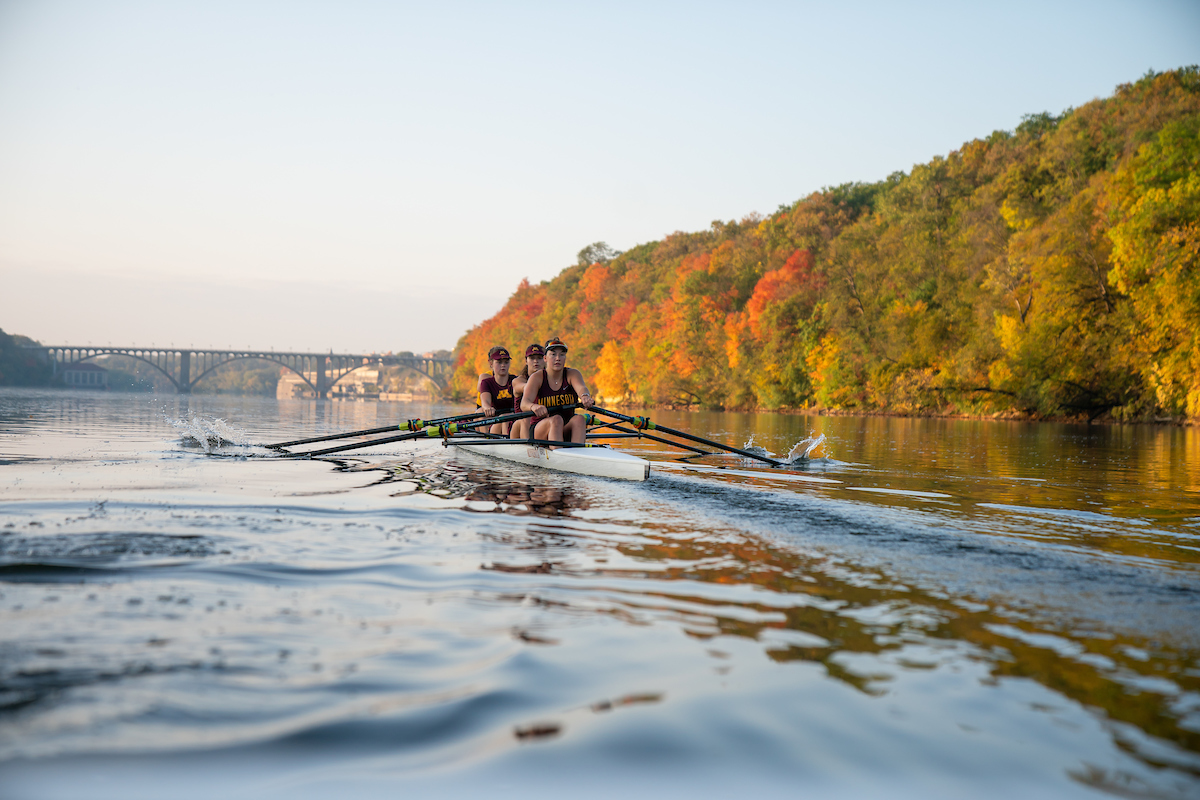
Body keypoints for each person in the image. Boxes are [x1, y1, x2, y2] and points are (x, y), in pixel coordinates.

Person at [519, 337, 593, 446]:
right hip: (540, 429)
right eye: (553, 354)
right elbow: (524, 404)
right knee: (556, 419)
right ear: (545, 358)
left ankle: (578, 453)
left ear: (565, 358)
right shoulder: (537, 378)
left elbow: (581, 388)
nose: (558, 358)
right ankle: (558, 453)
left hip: (565, 428)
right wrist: (533, 407)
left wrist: (585, 396)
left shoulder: (572, 374)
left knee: (580, 419)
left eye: (562, 354)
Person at [509, 343, 546, 440]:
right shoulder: (518, 380)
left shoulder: (550, 379)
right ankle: (528, 448)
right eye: (532, 358)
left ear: (545, 360)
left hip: (542, 424)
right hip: (520, 428)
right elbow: (525, 387)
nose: (536, 361)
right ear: (526, 361)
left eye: (539, 358)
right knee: (526, 418)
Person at [477, 346, 516, 435]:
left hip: (512, 420)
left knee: (505, 417)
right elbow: (485, 400)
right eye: (499, 362)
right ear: (491, 364)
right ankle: (486, 438)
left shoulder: (515, 380)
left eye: (506, 362)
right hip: (495, 421)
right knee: (482, 412)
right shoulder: (486, 382)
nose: (503, 365)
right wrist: (487, 408)